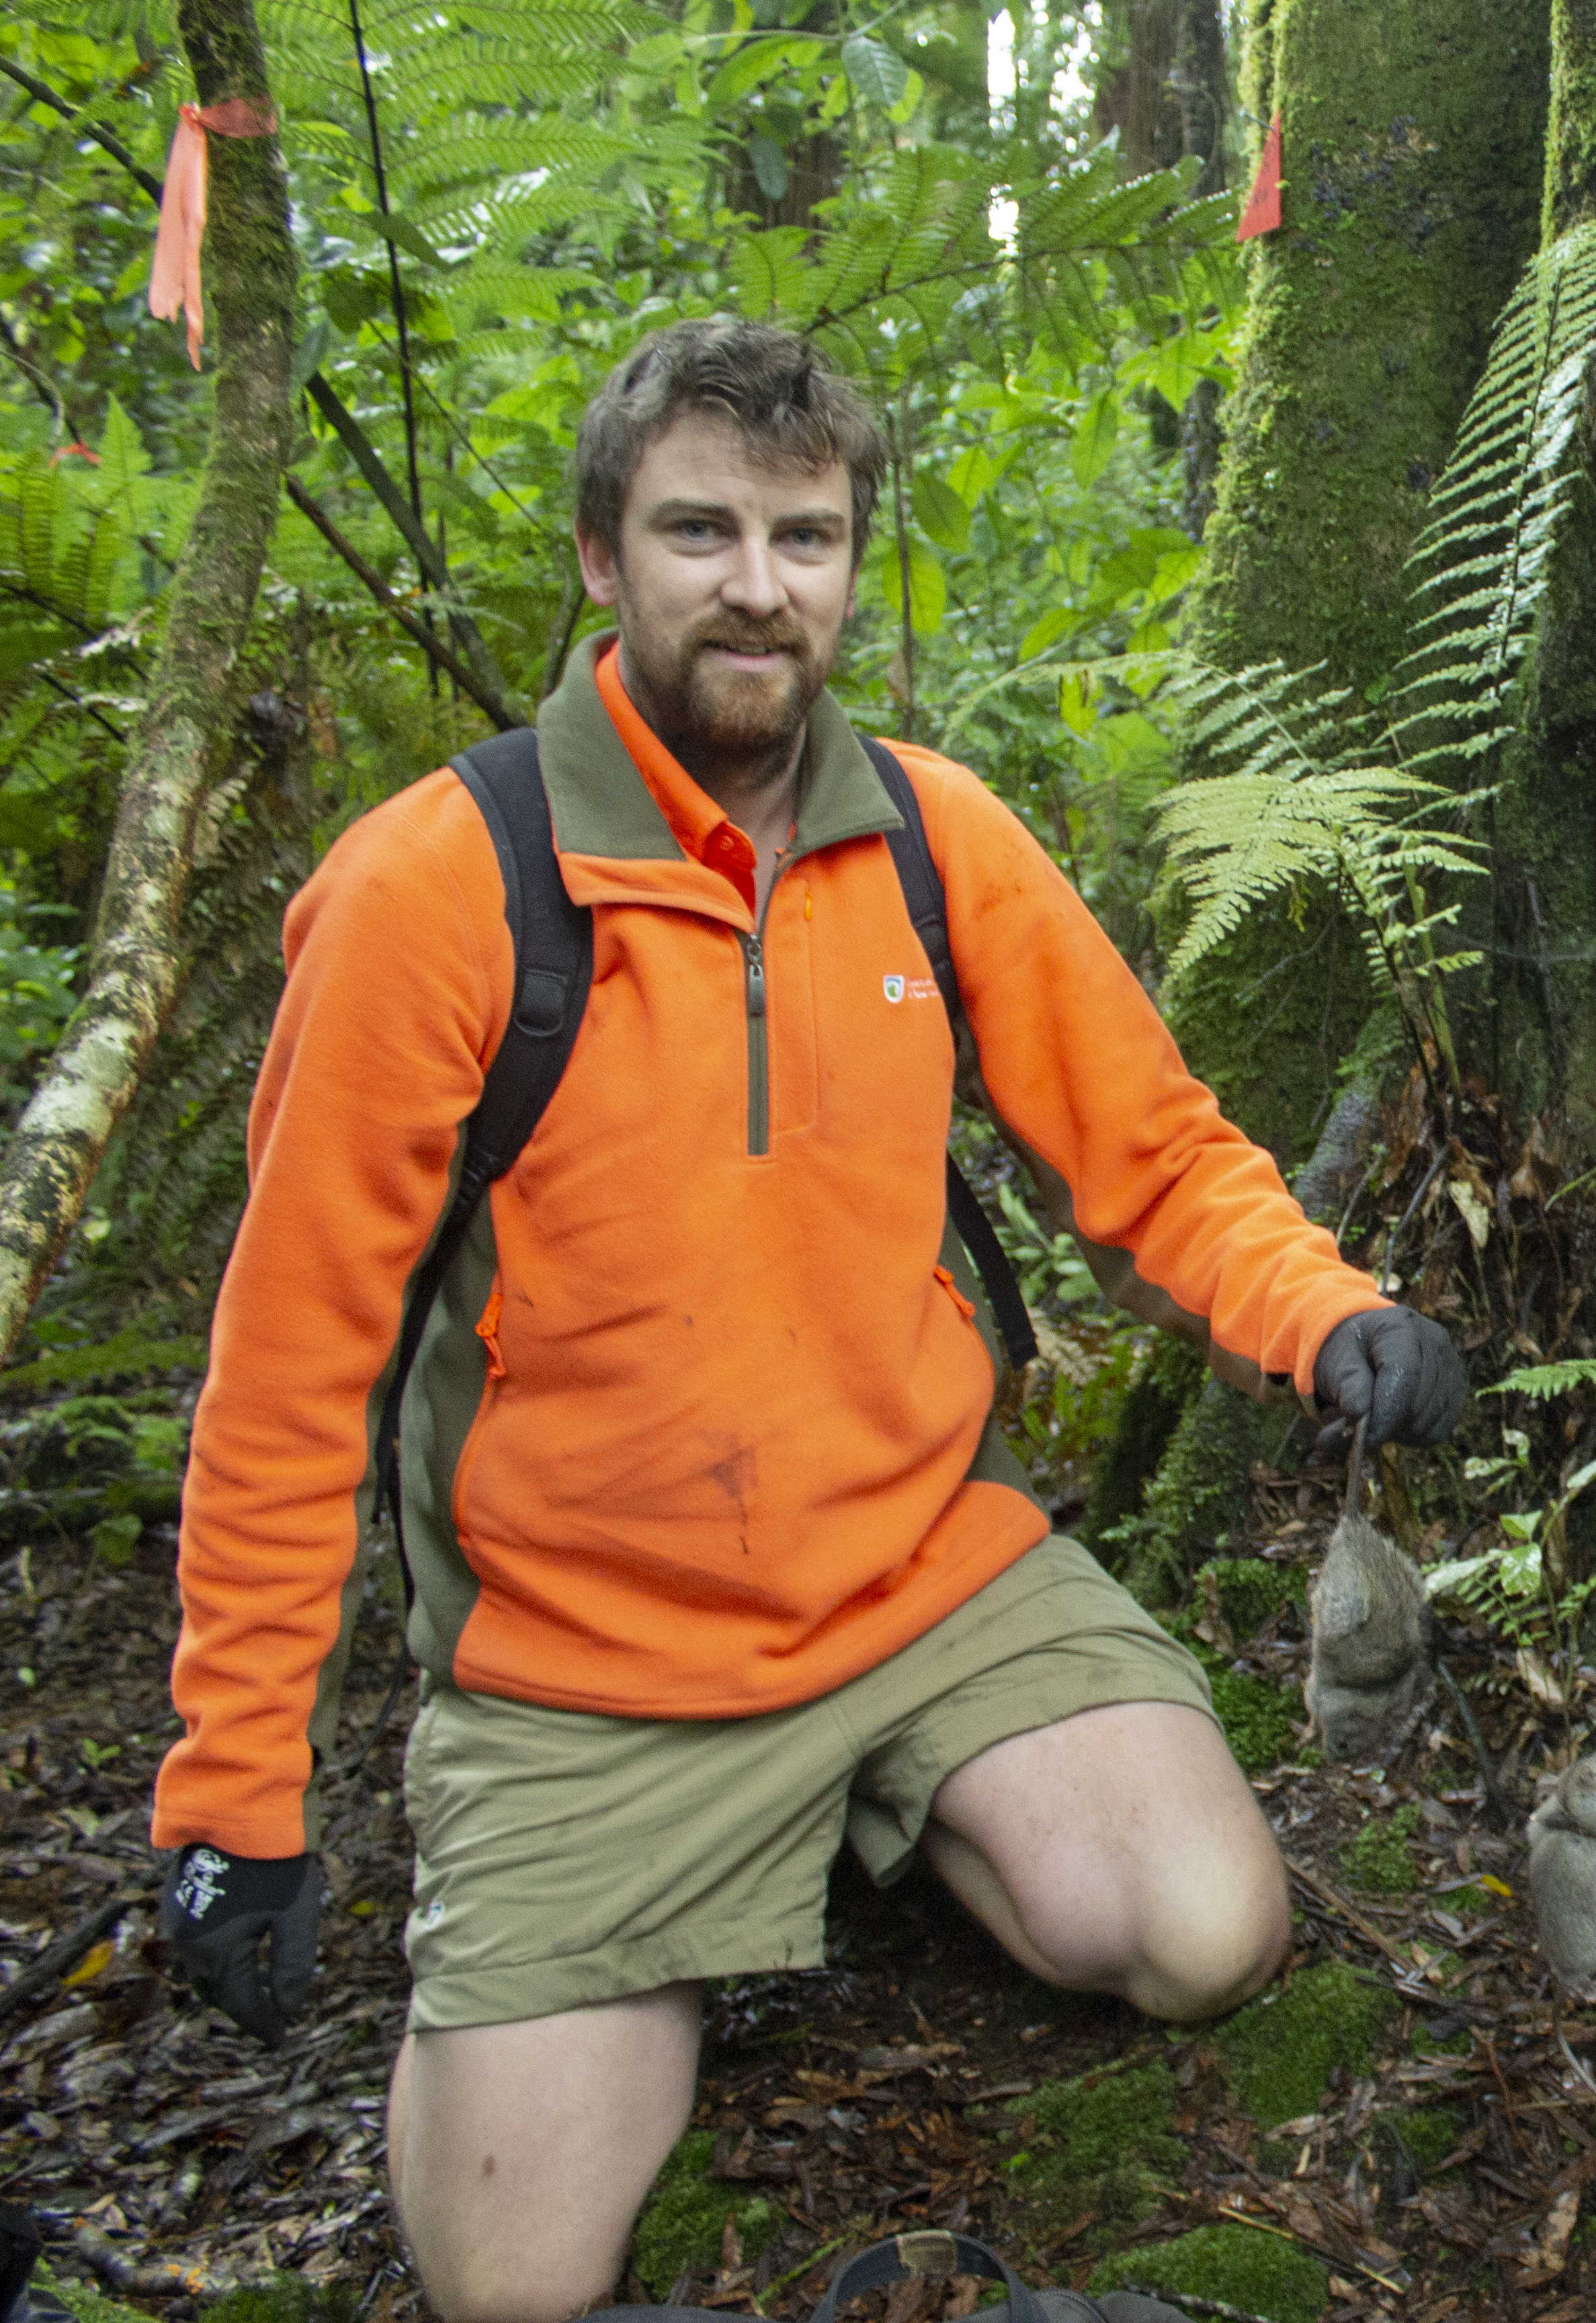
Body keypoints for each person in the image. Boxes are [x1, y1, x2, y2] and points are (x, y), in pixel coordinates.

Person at [146, 319, 1466, 2323]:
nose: (757, 586)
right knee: (510, 2283)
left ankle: (907, 1814)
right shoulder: (439, 886)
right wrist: (231, 1800)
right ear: (602, 557)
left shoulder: (936, 841)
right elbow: (287, 1373)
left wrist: (1326, 1314)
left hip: (929, 1576)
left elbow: (1160, 1155)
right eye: (699, 530)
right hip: (588, 1668)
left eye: (805, 535)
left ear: (850, 564)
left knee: (1208, 1934)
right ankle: (726, 1880)